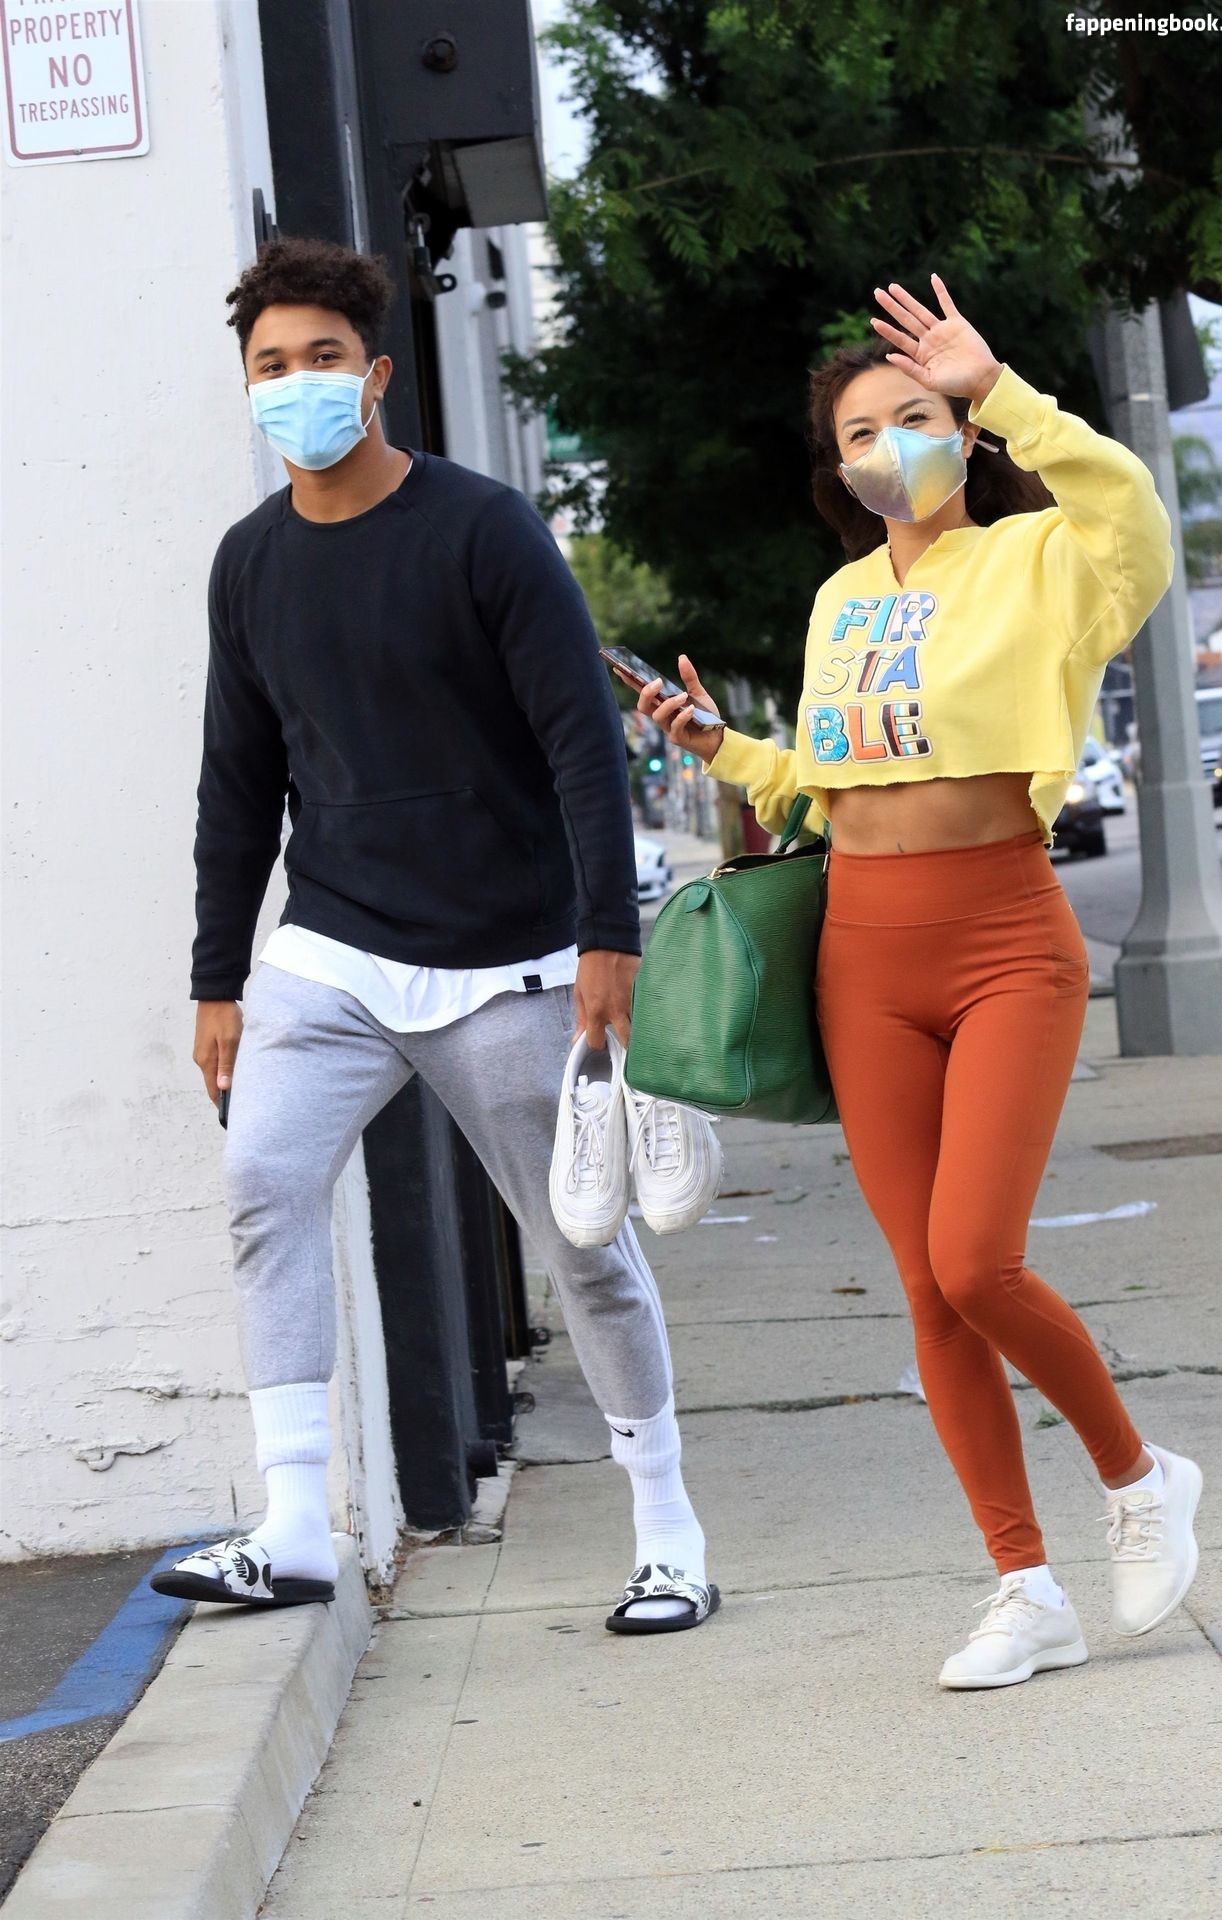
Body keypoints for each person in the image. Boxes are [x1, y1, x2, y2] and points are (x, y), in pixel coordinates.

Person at [639, 273, 1201, 1688]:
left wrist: (1000, 386)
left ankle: (1139, 1479)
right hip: (863, 957)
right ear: (837, 470)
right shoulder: (840, 603)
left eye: (917, 416)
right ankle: (1026, 1587)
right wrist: (721, 749)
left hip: (1006, 938)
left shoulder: (1041, 559)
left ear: (962, 433)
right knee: (930, 1293)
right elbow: (830, 789)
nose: (890, 443)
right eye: (861, 432)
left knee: (977, 1258)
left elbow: (1134, 513)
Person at [151, 238, 716, 1633]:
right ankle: (295, 1526)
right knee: (263, 1178)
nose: (297, 384)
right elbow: (238, 780)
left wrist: (608, 936)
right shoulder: (250, 564)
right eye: (271, 365)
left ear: (376, 375)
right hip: (334, 946)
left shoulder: (483, 530)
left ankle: (668, 1531)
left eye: (323, 358)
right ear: (247, 386)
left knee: (579, 1240)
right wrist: (218, 977)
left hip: (504, 957)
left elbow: (581, 743)